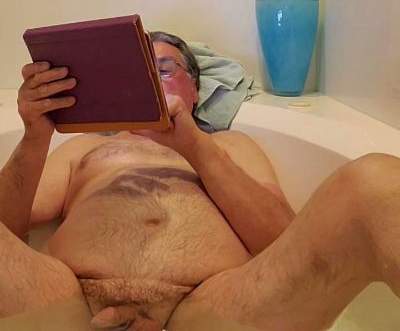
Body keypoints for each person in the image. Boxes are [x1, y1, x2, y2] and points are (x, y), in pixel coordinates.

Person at [0, 32, 399, 331]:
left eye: (162, 70)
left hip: (219, 310)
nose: (147, 83)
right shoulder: (84, 148)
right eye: (134, 73)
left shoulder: (227, 145)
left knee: (376, 182)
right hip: (63, 306)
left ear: (194, 89)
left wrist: (195, 147)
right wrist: (36, 135)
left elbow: (280, 241)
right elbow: (8, 230)